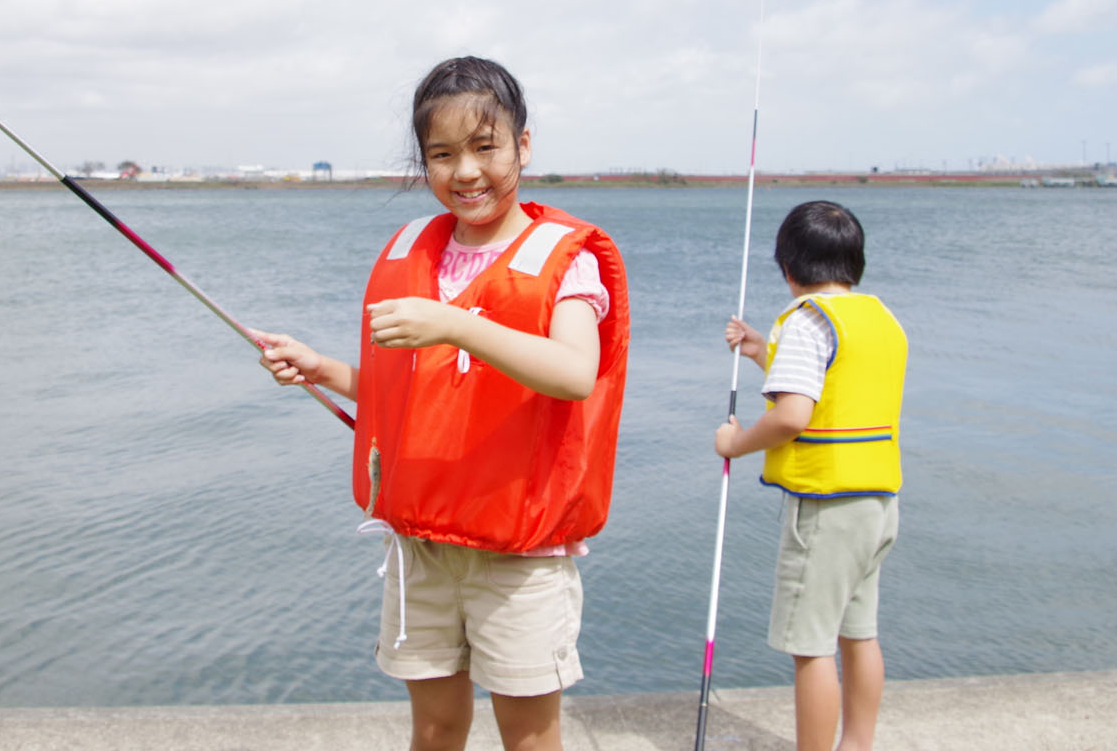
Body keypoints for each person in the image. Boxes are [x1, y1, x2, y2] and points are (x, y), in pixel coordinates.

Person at [254, 56, 629, 751]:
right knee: (434, 727)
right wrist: (323, 370)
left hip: (520, 553)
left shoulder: (562, 258)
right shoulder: (412, 251)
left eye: (485, 148)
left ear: (523, 144)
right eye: (442, 154)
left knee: (529, 733)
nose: (465, 172)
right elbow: (409, 400)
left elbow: (576, 373)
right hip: (421, 544)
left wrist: (459, 324)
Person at [714, 200, 908, 751]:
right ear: (854, 263)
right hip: (877, 503)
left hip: (826, 509)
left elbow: (794, 415)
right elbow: (834, 387)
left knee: (812, 647)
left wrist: (736, 442)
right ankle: (858, 745)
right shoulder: (879, 318)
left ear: (789, 268)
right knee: (859, 634)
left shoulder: (805, 321)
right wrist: (760, 351)